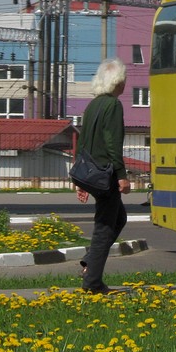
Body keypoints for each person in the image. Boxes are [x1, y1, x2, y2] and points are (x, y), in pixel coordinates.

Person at [76, 57, 131, 294]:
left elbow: (83, 141)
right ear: (117, 82)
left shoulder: (93, 105)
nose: (125, 84)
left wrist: (80, 180)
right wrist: (121, 175)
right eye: (123, 80)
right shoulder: (113, 105)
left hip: (90, 172)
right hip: (105, 174)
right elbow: (112, 143)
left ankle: (91, 262)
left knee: (118, 219)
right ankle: (92, 282)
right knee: (105, 227)